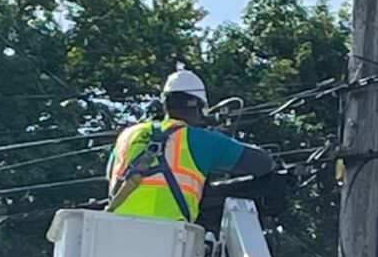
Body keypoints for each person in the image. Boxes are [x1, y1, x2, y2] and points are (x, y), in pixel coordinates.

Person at [105, 68, 281, 224]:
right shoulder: (200, 140)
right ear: (198, 108)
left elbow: (110, 176)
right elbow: (261, 163)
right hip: (169, 238)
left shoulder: (127, 135)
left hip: (115, 235)